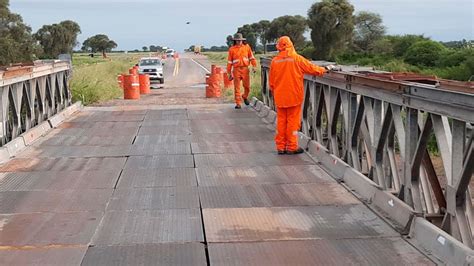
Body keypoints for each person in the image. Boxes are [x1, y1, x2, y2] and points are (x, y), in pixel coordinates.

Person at [269, 36, 336, 155]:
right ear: (291, 45)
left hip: (280, 96)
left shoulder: (275, 61)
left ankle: (280, 147)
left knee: (281, 122)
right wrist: (326, 69)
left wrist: (275, 91)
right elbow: (313, 69)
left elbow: (271, 82)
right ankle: (291, 147)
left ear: (279, 47)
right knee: (292, 122)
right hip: (293, 96)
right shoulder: (297, 59)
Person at [227, 33, 257, 109]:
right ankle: (238, 103)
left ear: (242, 40)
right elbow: (229, 62)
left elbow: (251, 57)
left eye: (240, 40)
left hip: (245, 69)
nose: (238, 42)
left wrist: (254, 66)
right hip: (236, 70)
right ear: (235, 41)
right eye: (237, 40)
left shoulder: (247, 47)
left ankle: (245, 96)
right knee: (237, 88)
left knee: (247, 87)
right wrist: (229, 73)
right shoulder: (232, 49)